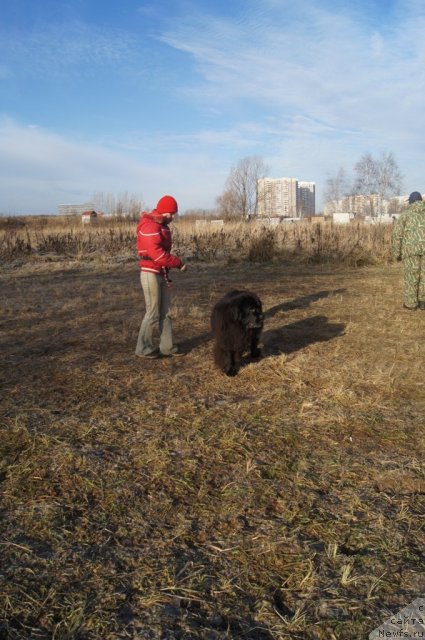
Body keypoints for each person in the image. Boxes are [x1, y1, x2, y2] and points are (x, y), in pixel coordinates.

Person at [135, 195, 187, 358]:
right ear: (164, 211)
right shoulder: (149, 226)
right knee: (152, 312)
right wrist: (178, 263)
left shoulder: (162, 225)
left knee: (165, 312)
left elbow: (161, 256)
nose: (173, 217)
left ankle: (167, 347)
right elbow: (157, 255)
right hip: (150, 273)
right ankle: (142, 348)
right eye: (171, 213)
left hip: (160, 272)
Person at [392, 191, 425, 310]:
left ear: (411, 201)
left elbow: (397, 235)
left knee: (411, 276)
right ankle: (423, 302)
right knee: (424, 277)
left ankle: (411, 304)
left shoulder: (405, 215)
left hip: (411, 251)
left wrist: (396, 254)